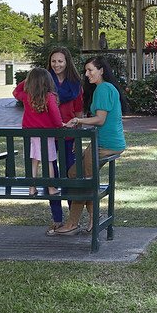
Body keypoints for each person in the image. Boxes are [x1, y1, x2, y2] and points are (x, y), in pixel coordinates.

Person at [55, 56, 126, 235]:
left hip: (106, 144)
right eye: (86, 71)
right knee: (75, 173)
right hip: (104, 142)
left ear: (101, 70)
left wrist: (78, 120)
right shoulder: (105, 88)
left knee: (81, 178)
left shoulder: (103, 89)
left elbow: (100, 120)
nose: (86, 74)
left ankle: (72, 223)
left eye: (90, 70)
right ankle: (95, 218)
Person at [45, 47, 83, 234]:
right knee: (51, 177)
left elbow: (78, 112)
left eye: (60, 61)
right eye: (53, 61)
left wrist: (78, 135)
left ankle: (72, 220)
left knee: (70, 176)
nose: (57, 64)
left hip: (69, 135)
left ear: (67, 62)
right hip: (49, 135)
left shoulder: (75, 85)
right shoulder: (44, 82)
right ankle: (57, 219)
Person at [13, 68, 63, 197]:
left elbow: (15, 92)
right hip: (46, 134)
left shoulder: (26, 96)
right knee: (49, 160)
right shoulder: (49, 96)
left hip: (30, 134)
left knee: (34, 160)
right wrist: (60, 125)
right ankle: (51, 188)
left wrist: (27, 80)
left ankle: (32, 188)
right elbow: (55, 114)